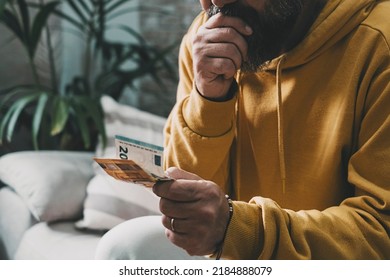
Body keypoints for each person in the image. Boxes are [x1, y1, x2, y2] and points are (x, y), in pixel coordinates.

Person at [96, 0, 390, 259]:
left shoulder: (379, 44)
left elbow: (381, 233)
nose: (214, 3)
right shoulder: (209, 41)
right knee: (124, 246)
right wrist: (208, 99)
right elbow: (188, 207)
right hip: (234, 255)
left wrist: (239, 229)